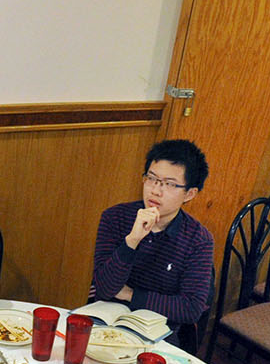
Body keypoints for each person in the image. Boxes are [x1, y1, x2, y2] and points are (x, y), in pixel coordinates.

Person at [90, 138, 214, 334]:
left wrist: (130, 294)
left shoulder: (199, 240)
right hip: (104, 319)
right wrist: (132, 241)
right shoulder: (115, 217)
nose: (155, 190)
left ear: (189, 194)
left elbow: (190, 309)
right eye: (152, 178)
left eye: (169, 184)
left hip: (158, 331)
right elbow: (105, 288)